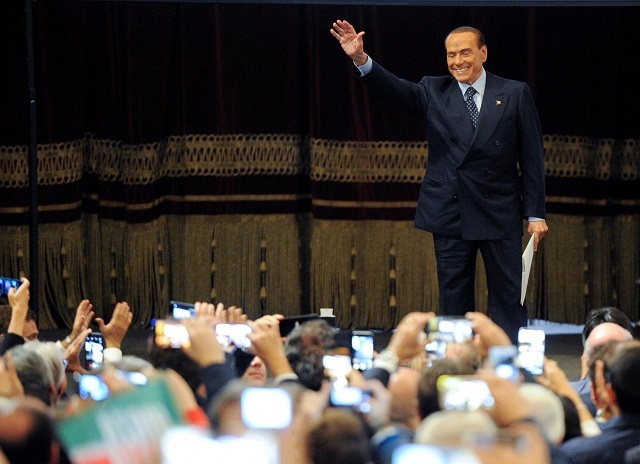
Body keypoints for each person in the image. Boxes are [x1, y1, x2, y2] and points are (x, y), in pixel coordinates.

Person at [330, 21, 548, 344]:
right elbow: (395, 89)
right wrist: (362, 60)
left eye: (465, 53)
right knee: (454, 300)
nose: (457, 61)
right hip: (450, 212)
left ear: (483, 53)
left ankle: (508, 362)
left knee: (508, 299)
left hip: (499, 211)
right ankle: (458, 362)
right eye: (450, 55)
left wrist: (535, 213)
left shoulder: (514, 93)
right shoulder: (434, 90)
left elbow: (531, 157)